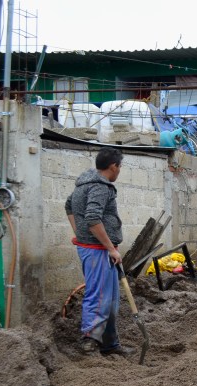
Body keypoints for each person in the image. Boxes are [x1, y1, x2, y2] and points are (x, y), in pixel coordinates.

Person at [65, 147, 133, 356]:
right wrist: (111, 249)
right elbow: (93, 218)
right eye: (119, 167)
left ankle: (110, 344)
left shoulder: (84, 184)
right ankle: (89, 343)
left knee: (111, 300)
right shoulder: (100, 187)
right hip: (98, 251)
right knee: (99, 297)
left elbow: (68, 206)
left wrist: (79, 232)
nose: (119, 171)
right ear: (113, 166)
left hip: (96, 248)